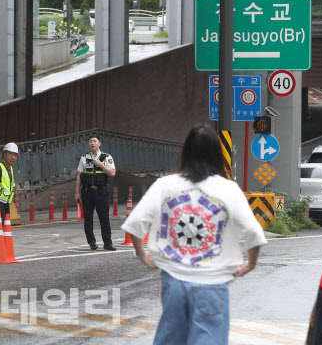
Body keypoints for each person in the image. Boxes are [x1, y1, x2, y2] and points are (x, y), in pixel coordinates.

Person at [121, 124, 267, 345]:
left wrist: (142, 254)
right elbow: (254, 232)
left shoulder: (165, 185)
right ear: (217, 154)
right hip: (214, 283)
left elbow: (135, 223)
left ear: (186, 152)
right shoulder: (229, 189)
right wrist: (250, 264)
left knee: (171, 338)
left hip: (174, 279)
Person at [75, 135, 116, 251]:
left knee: (104, 218)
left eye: (95, 141)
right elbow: (79, 176)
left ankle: (107, 243)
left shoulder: (106, 157)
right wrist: (76, 192)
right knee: (88, 218)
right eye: (90, 141)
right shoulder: (84, 158)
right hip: (87, 191)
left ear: (99, 143)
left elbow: (112, 173)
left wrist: (101, 165)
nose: (92, 143)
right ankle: (91, 242)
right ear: (89, 144)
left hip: (101, 191)